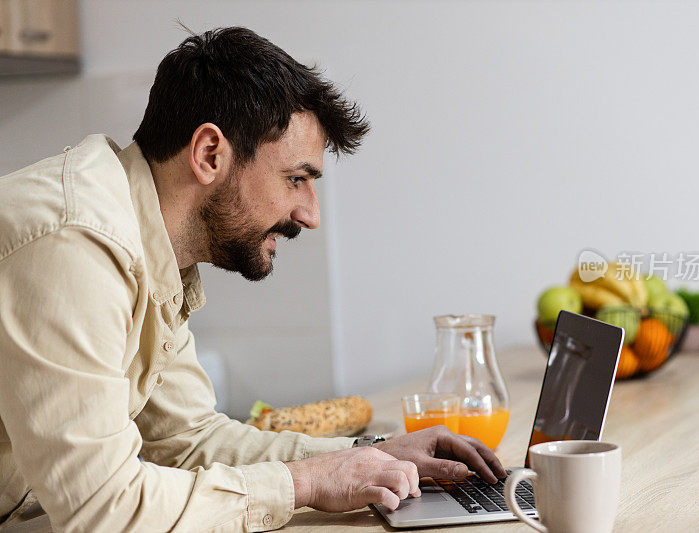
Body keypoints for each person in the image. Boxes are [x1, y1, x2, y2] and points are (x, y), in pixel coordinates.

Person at [0, 27, 505, 532]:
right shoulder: (76, 243)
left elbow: (190, 439)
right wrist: (305, 483)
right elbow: (106, 512)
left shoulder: (145, 240)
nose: (310, 215)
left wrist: (371, 455)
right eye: (296, 179)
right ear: (209, 155)